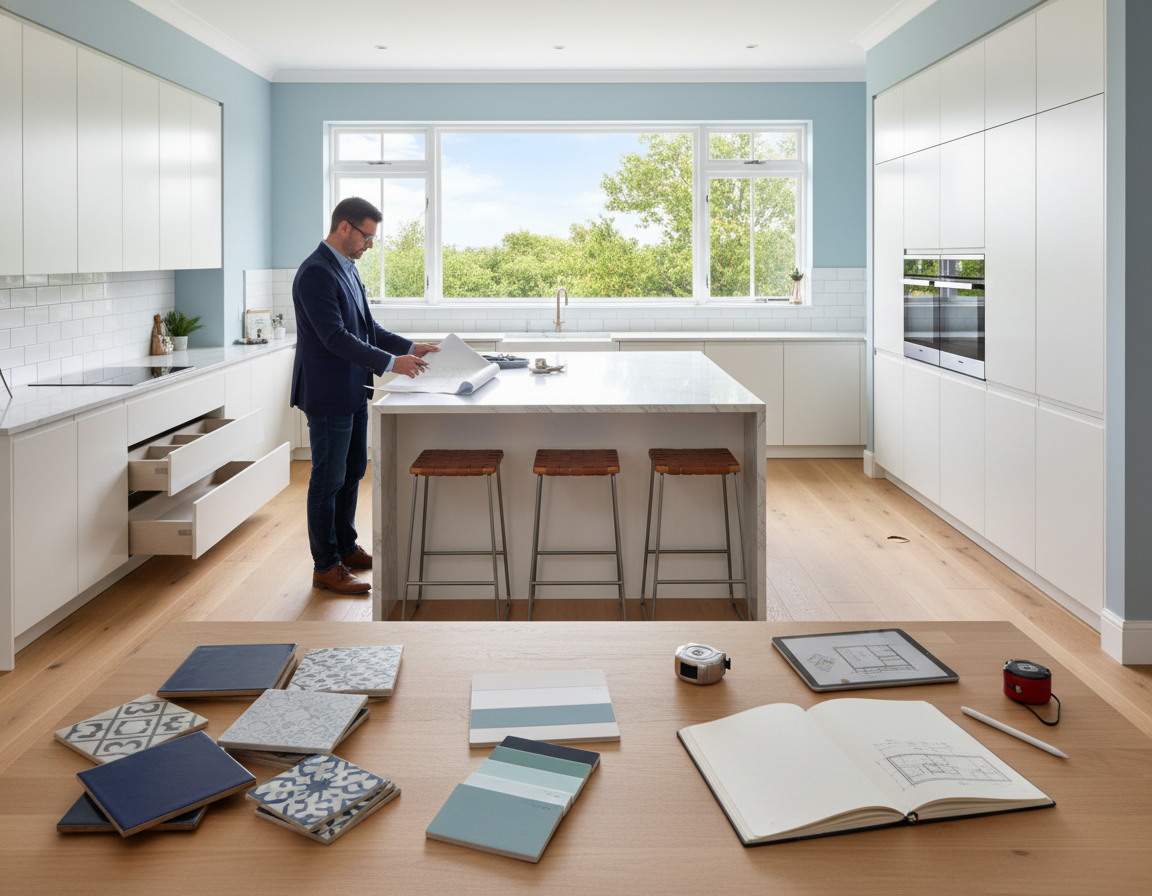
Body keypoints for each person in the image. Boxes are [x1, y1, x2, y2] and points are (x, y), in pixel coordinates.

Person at [290, 196, 439, 594]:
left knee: (354, 471)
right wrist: (393, 363)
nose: (370, 245)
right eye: (367, 237)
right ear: (344, 228)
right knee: (328, 479)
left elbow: (367, 328)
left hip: (354, 387)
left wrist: (409, 347)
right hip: (327, 393)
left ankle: (345, 546)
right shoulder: (315, 274)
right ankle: (325, 566)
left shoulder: (347, 270)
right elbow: (335, 337)